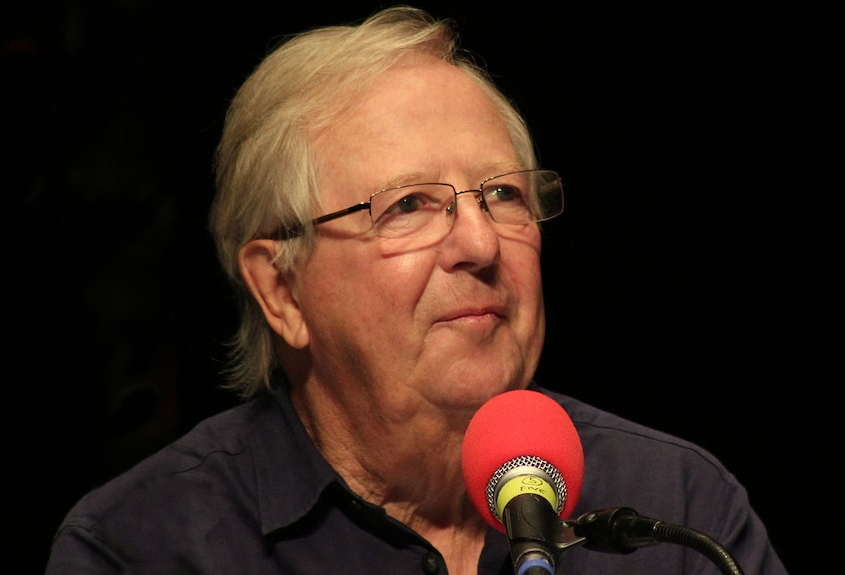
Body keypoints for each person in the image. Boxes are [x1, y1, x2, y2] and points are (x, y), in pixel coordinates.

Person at [45, 6, 787, 575]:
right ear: (281, 291)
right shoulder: (144, 546)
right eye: (409, 205)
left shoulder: (678, 507)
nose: (481, 243)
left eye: (501, 194)